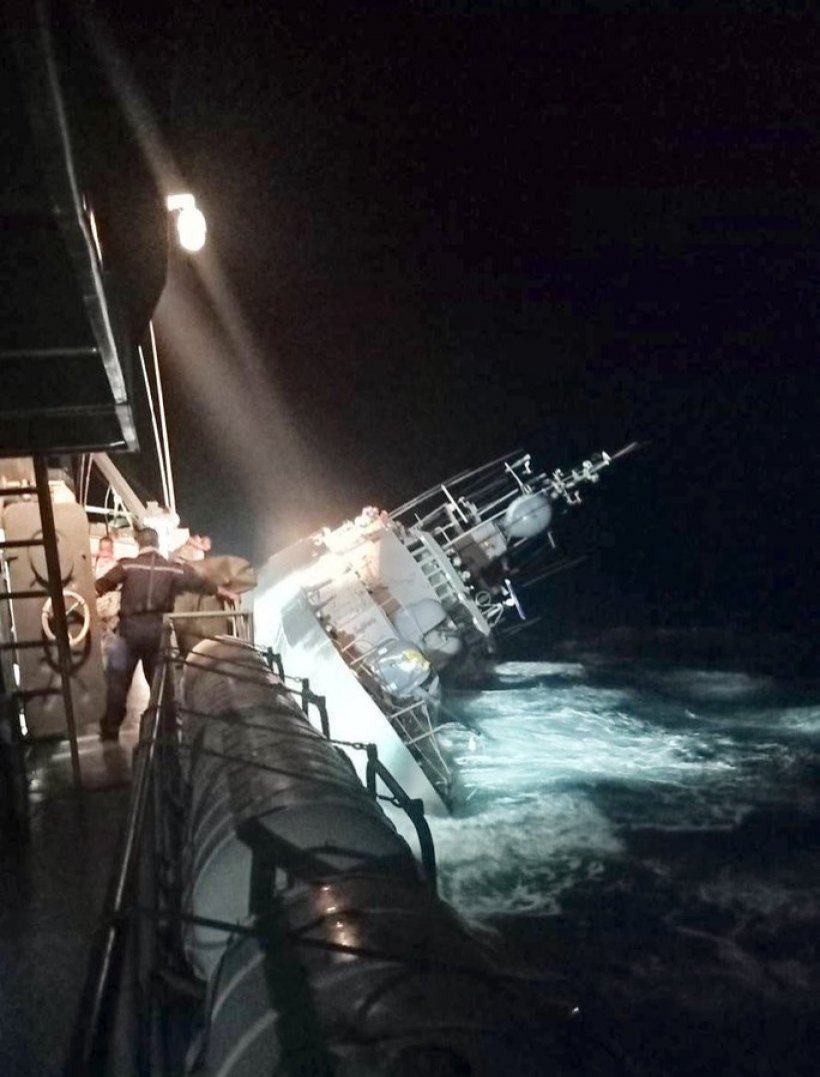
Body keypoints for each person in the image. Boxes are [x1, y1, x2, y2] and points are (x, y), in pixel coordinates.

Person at [95, 527, 237, 740]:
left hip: (128, 632)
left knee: (118, 683)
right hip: (156, 632)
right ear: (158, 544)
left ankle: (109, 731)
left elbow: (101, 585)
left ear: (139, 544)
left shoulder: (127, 565)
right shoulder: (172, 569)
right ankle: (168, 730)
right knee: (161, 685)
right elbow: (197, 582)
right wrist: (222, 591)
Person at [93, 535, 120, 662]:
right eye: (101, 549)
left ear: (112, 550)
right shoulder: (95, 563)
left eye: (106, 550)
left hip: (110, 606)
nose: (104, 553)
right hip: (99, 605)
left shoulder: (115, 565)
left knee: (108, 636)